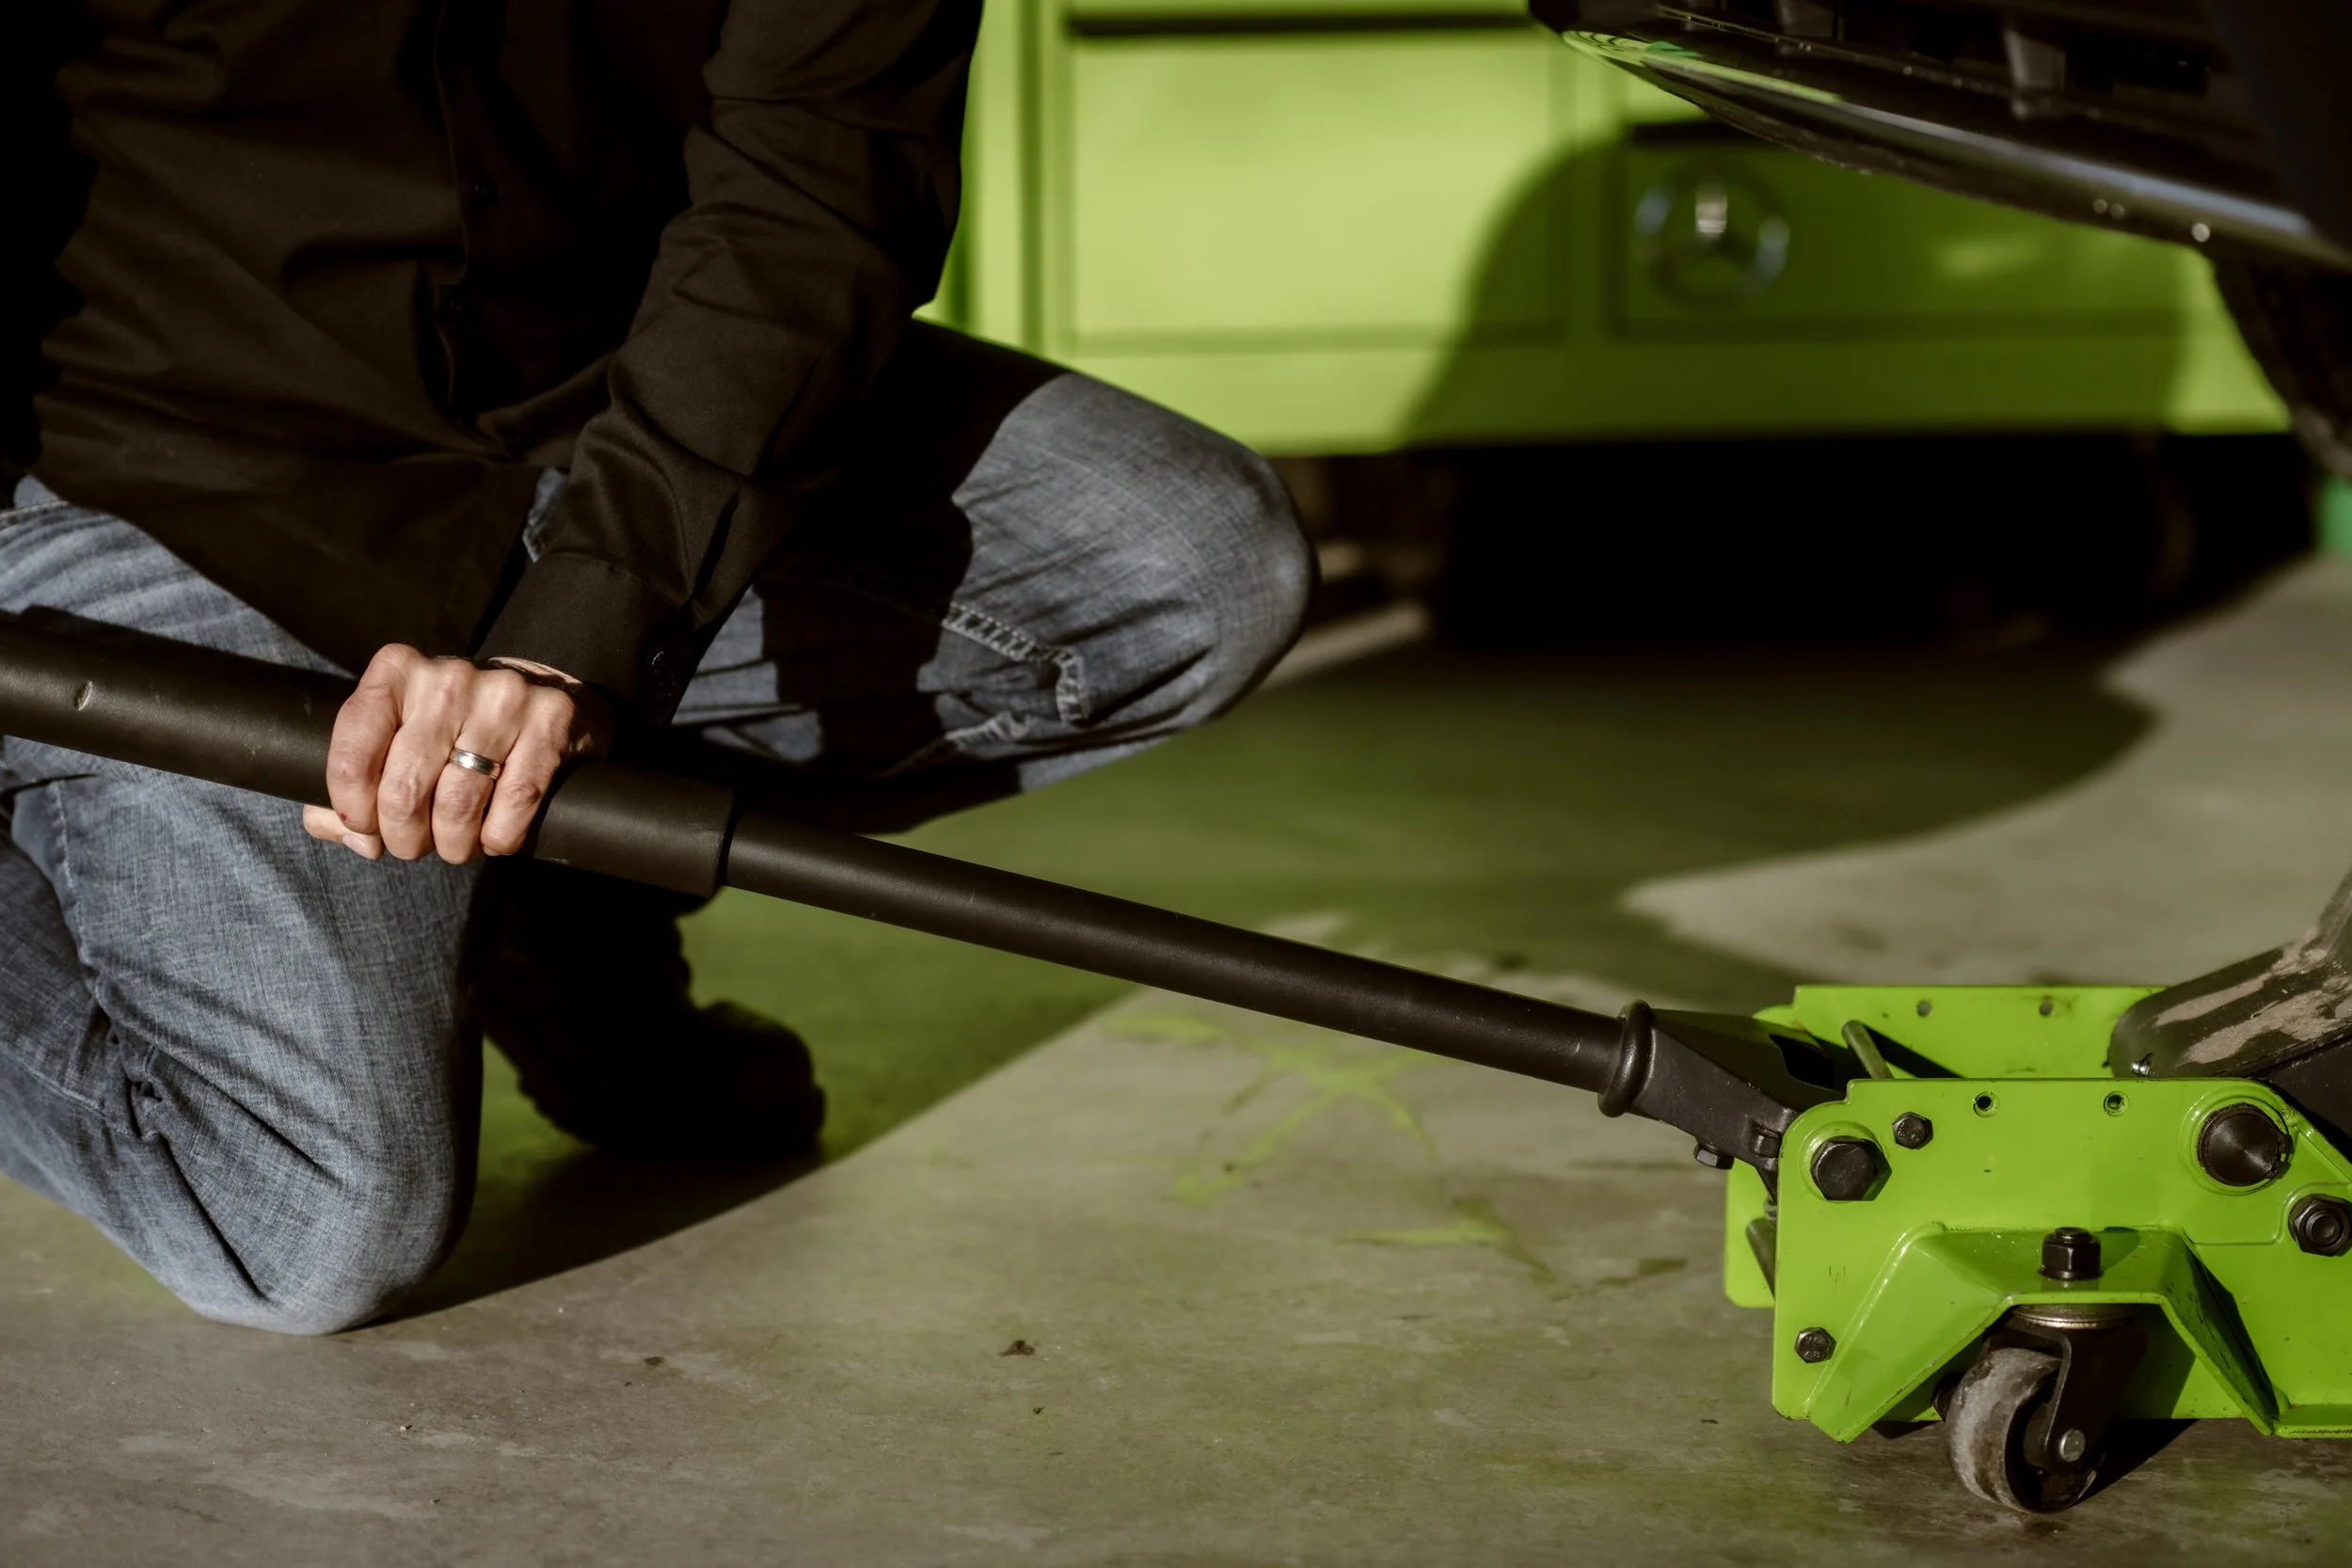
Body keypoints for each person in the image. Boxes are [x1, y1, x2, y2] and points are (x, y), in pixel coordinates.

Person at [0, 1, 1311, 1336]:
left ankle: (544, 886)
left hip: (609, 401)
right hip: (187, 477)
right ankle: (499, 872)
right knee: (301, 1224)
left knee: (1198, 562)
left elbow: (826, 164)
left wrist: (585, 632)